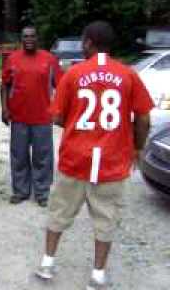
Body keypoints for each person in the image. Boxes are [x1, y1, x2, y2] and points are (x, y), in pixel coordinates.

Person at [35, 21, 153, 289]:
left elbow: (58, 116)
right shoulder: (128, 74)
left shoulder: (74, 74)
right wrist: (136, 147)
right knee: (106, 219)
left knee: (59, 212)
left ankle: (47, 263)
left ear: (88, 42)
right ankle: (98, 275)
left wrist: (78, 125)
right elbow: (143, 118)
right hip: (112, 161)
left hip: (75, 159)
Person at [1, 26, 63, 207]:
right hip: (18, 117)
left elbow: (60, 86)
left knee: (42, 157)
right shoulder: (12, 59)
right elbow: (5, 85)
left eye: (32, 36)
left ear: (37, 38)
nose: (29, 39)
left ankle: (42, 193)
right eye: (25, 36)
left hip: (42, 118)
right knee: (19, 156)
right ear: (21, 39)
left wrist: (57, 110)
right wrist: (4, 108)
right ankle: (21, 191)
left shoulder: (49, 59)